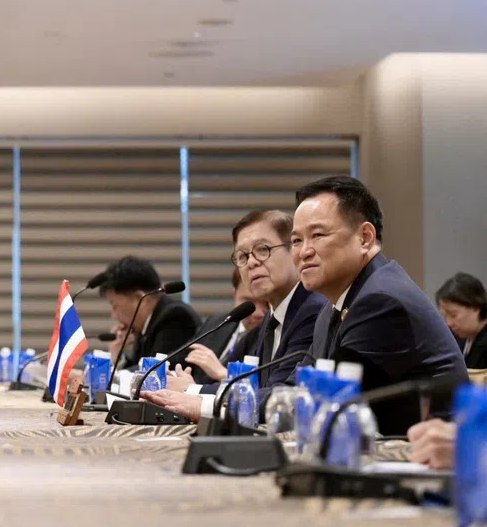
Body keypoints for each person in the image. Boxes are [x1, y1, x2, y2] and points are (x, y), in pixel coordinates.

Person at [289, 175, 466, 435]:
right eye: (296, 240)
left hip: (438, 463)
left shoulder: (381, 301)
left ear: (365, 237)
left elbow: (325, 403)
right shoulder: (333, 307)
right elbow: (295, 388)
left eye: (317, 235)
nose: (304, 251)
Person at [152, 209, 327, 421]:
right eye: (242, 256)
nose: (252, 262)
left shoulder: (312, 310)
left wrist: (194, 391)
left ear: (294, 250)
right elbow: (253, 385)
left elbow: (281, 394)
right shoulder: (271, 318)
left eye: (263, 249)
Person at [97, 255, 200, 369]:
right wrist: (118, 356)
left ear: (140, 299)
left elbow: (153, 372)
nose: (113, 315)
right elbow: (138, 368)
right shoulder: (145, 325)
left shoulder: (176, 318)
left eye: (115, 306)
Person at [176, 267, 268, 385]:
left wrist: (223, 372)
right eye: (249, 302)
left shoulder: (272, 338)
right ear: (234, 294)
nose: (258, 313)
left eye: (266, 303)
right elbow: (180, 357)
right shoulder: (219, 321)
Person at [435, 273, 487, 369]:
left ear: (475, 307)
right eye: (445, 316)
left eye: (453, 315)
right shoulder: (456, 338)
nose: (449, 323)